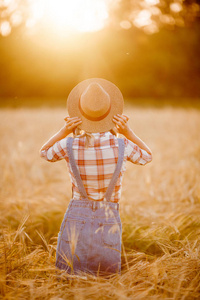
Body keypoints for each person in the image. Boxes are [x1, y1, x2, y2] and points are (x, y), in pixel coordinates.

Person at [40, 78, 152, 276]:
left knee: (70, 278)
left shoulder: (69, 144)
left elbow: (44, 152)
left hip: (76, 217)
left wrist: (63, 131)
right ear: (109, 113)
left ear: (81, 113)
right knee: (105, 279)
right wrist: (128, 132)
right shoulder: (121, 145)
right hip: (109, 218)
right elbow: (147, 156)